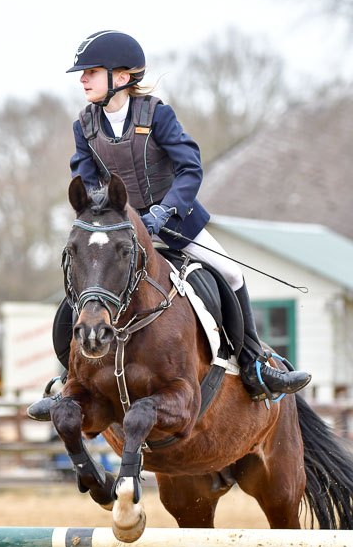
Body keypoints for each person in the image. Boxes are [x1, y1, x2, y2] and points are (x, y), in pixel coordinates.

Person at [27, 31, 311, 421]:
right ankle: (67, 381)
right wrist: (103, 216)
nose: (82, 79)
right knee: (85, 293)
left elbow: (189, 168)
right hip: (120, 231)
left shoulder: (156, 114)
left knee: (231, 273)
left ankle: (254, 363)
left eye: (91, 72)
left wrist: (165, 212)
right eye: (83, 73)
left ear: (121, 77)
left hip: (177, 224)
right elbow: (85, 173)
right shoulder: (85, 124)